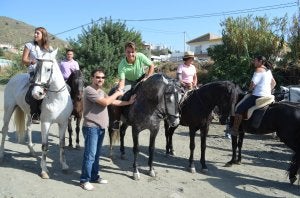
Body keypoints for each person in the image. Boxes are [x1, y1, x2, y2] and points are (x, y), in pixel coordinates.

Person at [80, 68, 136, 191]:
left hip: (100, 128)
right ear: (92, 78)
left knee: (96, 155)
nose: (100, 79)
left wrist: (128, 102)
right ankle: (84, 180)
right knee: (90, 155)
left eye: (102, 77)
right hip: (91, 128)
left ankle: (94, 176)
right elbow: (105, 102)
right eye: (97, 77)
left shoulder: (100, 91)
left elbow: (113, 102)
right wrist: (118, 92)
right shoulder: (89, 90)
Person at [111, 41, 155, 130]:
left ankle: (158, 114)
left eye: (132, 51)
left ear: (135, 51)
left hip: (142, 78)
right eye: (128, 52)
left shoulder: (140, 56)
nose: (130, 54)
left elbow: (151, 65)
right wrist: (120, 89)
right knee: (119, 96)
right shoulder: (122, 65)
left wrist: (148, 76)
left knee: (156, 89)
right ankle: (117, 120)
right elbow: (122, 81)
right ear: (125, 52)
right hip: (129, 82)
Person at [231, 55, 276, 136]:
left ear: (260, 62)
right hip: (267, 95)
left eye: (255, 61)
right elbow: (274, 83)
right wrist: (269, 91)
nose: (254, 62)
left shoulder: (258, 70)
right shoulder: (268, 70)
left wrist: (249, 91)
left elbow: (252, 84)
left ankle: (235, 130)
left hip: (257, 96)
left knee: (239, 109)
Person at [22, 27, 53, 124]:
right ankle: (34, 113)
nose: (35, 35)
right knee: (34, 89)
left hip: (45, 73)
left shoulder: (49, 48)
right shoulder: (29, 45)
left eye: (37, 33)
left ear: (43, 35)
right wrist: (31, 61)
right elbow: (23, 60)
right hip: (34, 72)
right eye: (35, 33)